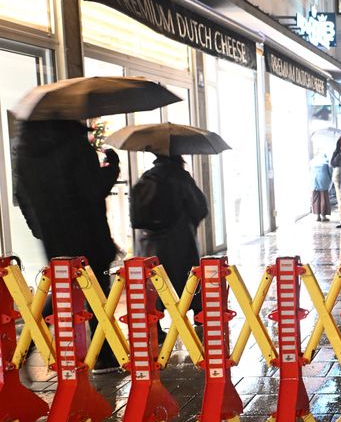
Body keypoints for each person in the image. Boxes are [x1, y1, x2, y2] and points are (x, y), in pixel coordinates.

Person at [12, 119, 121, 373]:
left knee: (65, 292)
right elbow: (92, 189)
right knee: (97, 293)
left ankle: (25, 347)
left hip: (56, 238)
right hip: (88, 234)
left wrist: (41, 228)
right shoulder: (75, 146)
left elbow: (22, 193)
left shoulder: (28, 151)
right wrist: (112, 166)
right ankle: (104, 356)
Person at [130, 154, 209, 337]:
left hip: (147, 245)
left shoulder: (147, 176)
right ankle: (199, 320)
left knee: (152, 286)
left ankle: (155, 328)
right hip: (178, 241)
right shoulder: (181, 177)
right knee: (188, 281)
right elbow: (200, 207)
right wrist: (190, 223)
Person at [310, 148, 331, 221]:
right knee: (323, 198)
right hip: (323, 180)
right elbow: (330, 171)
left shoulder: (312, 161)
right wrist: (330, 179)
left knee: (315, 197)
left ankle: (317, 216)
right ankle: (323, 216)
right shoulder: (326, 161)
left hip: (313, 180)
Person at [330, 136, 341, 229]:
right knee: (340, 199)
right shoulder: (337, 152)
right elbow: (332, 163)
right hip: (338, 178)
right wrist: (340, 154)